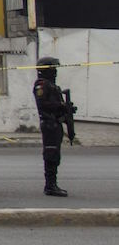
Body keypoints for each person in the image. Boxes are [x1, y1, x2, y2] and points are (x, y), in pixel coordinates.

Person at [33, 56, 74, 197]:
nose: (55, 72)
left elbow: (55, 105)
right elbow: (43, 104)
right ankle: (50, 186)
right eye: (53, 69)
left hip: (55, 123)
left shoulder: (53, 86)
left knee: (55, 155)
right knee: (51, 154)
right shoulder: (42, 85)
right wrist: (60, 106)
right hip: (49, 124)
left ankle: (52, 184)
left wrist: (66, 109)